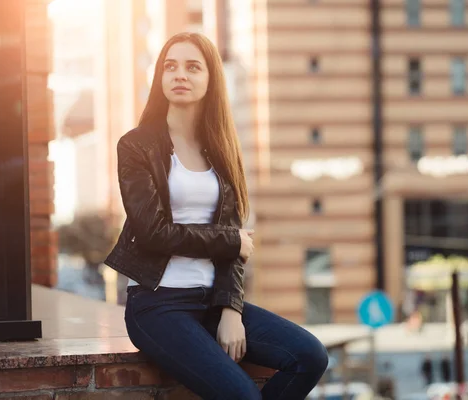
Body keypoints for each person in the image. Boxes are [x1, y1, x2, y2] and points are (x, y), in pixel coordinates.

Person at [104, 32, 328, 400]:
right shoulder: (136, 145)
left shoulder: (222, 150)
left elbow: (234, 243)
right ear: (160, 78)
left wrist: (231, 309)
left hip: (210, 300)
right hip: (157, 305)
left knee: (309, 356)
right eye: (170, 66)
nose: (180, 75)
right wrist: (231, 241)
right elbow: (153, 232)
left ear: (210, 80)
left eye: (193, 67)